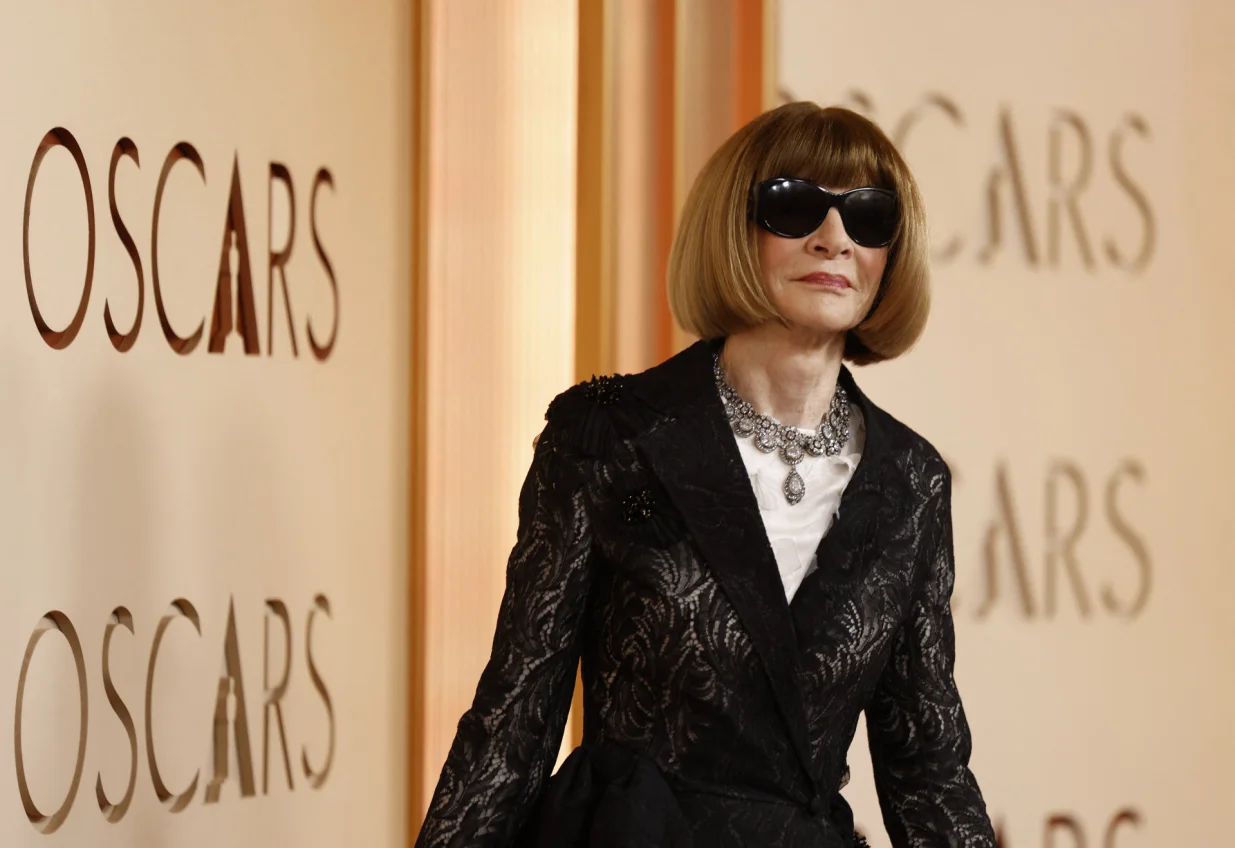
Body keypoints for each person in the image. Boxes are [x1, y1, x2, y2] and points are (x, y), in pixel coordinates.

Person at [414, 101, 996, 848]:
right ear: (732, 227)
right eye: (793, 207)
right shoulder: (605, 435)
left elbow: (928, 769)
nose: (834, 239)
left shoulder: (911, 481)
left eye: (868, 217)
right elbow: (513, 726)